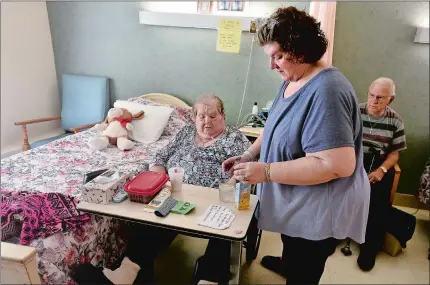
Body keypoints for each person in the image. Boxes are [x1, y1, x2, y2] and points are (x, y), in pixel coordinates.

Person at [222, 7, 370, 284]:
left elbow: (337, 164)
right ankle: (288, 262)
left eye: (278, 56)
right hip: (298, 203)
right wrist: (248, 154)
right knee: (293, 247)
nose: (271, 66)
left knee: (305, 268)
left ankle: (295, 269)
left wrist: (265, 171)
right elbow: (275, 126)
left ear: (301, 50)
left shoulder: (327, 91)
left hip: (320, 212)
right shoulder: (294, 79)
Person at [72, 95, 250, 285]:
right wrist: (160, 181)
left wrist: (230, 186)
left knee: (224, 229)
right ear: (194, 118)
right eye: (202, 117)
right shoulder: (186, 132)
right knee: (150, 219)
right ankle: (126, 274)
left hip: (216, 200)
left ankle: (209, 279)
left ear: (223, 116)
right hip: (175, 194)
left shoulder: (235, 138)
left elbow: (248, 169)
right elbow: (159, 157)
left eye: (213, 116)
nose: (207, 121)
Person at [357, 77, 407, 271]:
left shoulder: (396, 120)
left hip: (379, 162)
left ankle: (369, 247)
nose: (374, 101)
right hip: (353, 157)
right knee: (336, 190)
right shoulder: (356, 111)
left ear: (390, 100)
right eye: (371, 95)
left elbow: (394, 154)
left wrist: (381, 170)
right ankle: (331, 236)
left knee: (378, 202)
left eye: (380, 98)